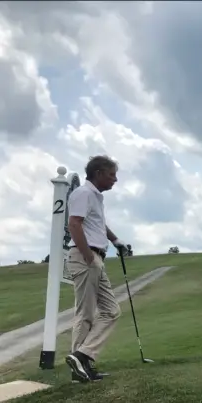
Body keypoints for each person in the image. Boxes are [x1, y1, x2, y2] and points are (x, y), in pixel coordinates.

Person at [65, 155, 129, 382]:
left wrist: (115, 240)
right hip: (87, 256)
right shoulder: (83, 193)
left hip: (96, 256)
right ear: (99, 173)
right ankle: (80, 367)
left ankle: (81, 357)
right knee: (86, 314)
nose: (115, 179)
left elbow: (98, 224)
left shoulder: (95, 197)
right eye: (112, 174)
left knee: (111, 311)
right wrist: (87, 257)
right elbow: (74, 224)